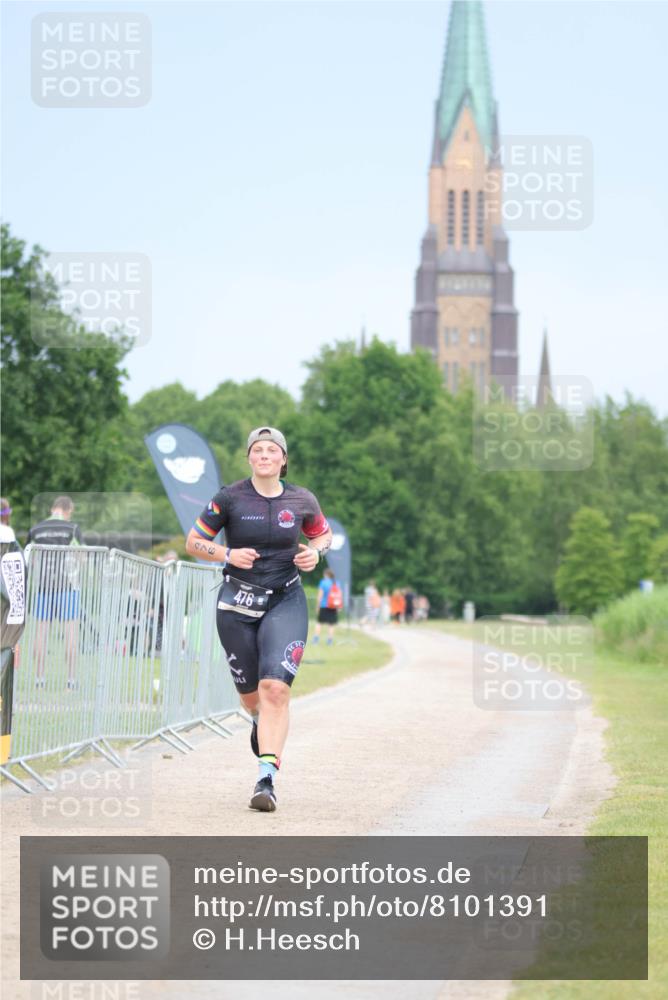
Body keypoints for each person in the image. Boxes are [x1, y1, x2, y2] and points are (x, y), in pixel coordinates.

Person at [185, 426, 332, 813]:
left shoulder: (302, 500)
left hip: (286, 599)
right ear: (249, 457)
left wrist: (315, 553)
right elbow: (194, 541)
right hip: (237, 603)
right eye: (257, 450)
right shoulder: (229, 498)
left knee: (275, 690)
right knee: (252, 696)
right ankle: (256, 718)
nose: (264, 455)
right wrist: (227, 555)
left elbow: (323, 535)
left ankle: (266, 779)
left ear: (283, 459)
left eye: (272, 450)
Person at [26, 496, 83, 687]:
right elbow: (82, 556)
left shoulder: (36, 529)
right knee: (71, 632)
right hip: (67, 585)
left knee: (41, 632)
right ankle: (71, 680)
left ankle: (39, 679)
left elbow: (30, 559)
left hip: (43, 587)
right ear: (68, 510)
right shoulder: (72, 528)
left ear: (52, 508)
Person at [313, 568, 340, 646]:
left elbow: (320, 596)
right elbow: (338, 596)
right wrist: (338, 607)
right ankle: (330, 641)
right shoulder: (336, 583)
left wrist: (317, 606)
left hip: (324, 605)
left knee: (319, 623)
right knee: (331, 624)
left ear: (326, 574)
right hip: (333, 606)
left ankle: (316, 640)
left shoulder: (323, 582)